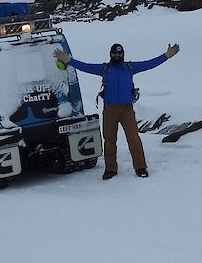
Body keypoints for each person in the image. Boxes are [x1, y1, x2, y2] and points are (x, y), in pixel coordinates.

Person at [54, 42, 180, 180]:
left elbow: (149, 64)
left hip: (127, 109)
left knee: (134, 139)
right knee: (109, 140)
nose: (117, 55)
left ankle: (140, 167)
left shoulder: (130, 68)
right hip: (109, 110)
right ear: (110, 54)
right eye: (114, 53)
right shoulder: (105, 68)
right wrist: (68, 60)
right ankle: (110, 169)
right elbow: (85, 66)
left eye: (120, 53)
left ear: (123, 54)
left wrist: (166, 56)